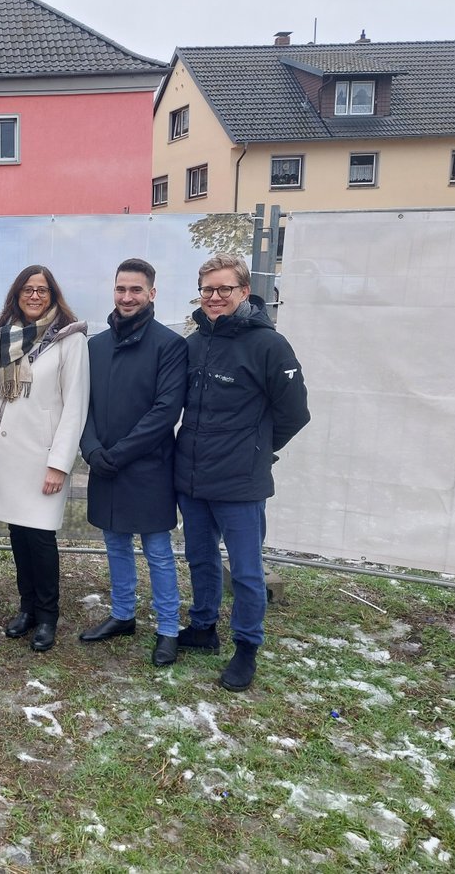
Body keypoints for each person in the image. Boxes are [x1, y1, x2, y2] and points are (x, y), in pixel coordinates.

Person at [176, 253, 310, 691]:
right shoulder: (194, 343)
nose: (215, 297)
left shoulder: (270, 345)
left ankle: (247, 647)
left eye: (224, 289)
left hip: (240, 482)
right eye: (208, 289)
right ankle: (203, 628)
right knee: (200, 558)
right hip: (192, 477)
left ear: (244, 292)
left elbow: (293, 413)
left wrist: (257, 449)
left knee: (248, 571)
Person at [78, 258, 187, 666]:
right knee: (115, 542)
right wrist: (90, 449)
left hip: (148, 467)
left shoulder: (171, 345)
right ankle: (123, 615)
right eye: (121, 289)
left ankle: (168, 629)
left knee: (158, 550)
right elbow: (82, 407)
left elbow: (164, 412)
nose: (127, 297)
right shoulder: (96, 346)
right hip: (104, 463)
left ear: (152, 294)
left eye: (136, 290)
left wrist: (117, 455)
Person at [0, 265, 88, 652]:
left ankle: (47, 616)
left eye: (42, 289)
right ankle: (26, 607)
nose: (35, 295)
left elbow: (75, 405)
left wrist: (60, 463)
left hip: (42, 457)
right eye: (28, 289)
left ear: (53, 294)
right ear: (17, 294)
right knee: (18, 535)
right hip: (8, 453)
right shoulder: (5, 334)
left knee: (41, 539)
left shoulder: (70, 339)